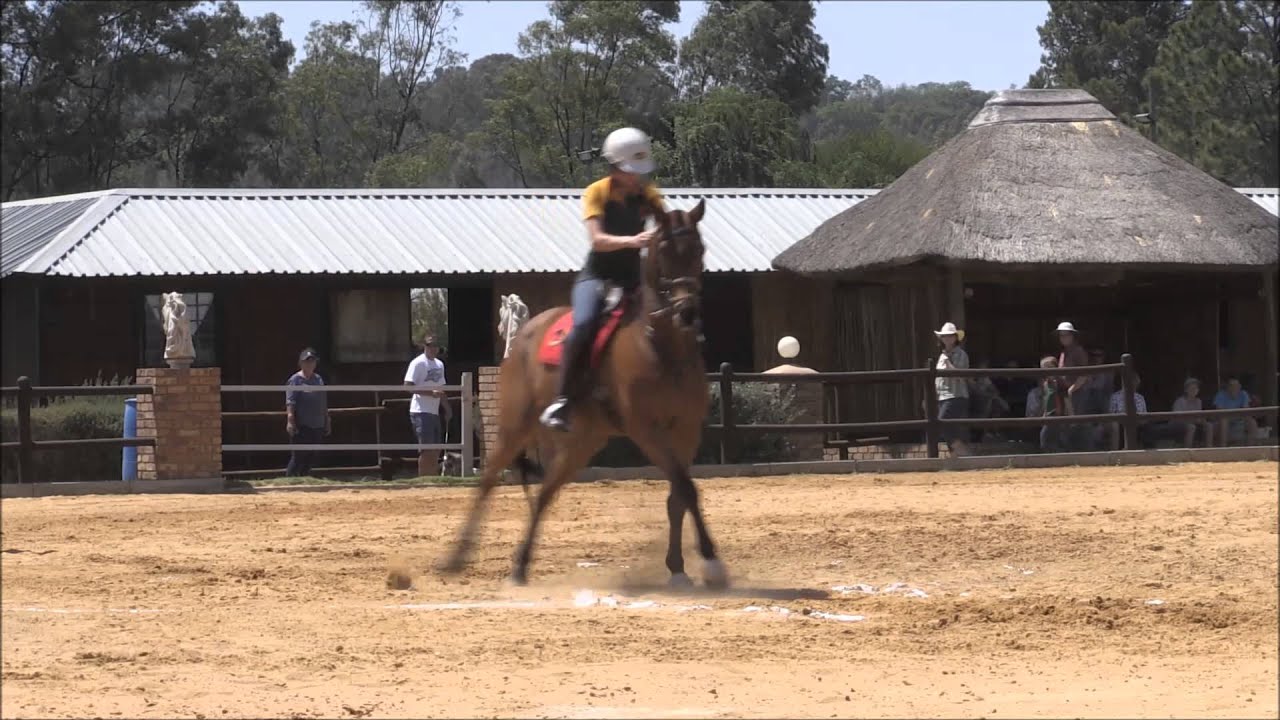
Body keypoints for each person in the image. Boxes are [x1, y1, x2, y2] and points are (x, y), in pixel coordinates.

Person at [539, 126, 667, 432]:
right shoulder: (596, 192)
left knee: (669, 318)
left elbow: (666, 224)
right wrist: (635, 241)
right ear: (614, 166)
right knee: (583, 324)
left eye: (640, 170)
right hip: (596, 277)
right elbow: (597, 240)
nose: (637, 177)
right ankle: (562, 400)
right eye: (630, 170)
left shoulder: (649, 194)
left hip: (634, 280)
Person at [404, 334, 446, 477]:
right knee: (426, 449)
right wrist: (429, 393)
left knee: (436, 448)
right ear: (425, 347)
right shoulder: (418, 363)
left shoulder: (440, 365)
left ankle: (433, 477)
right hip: (420, 410)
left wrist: (447, 407)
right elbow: (408, 386)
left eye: (435, 346)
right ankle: (423, 478)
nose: (432, 348)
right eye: (429, 345)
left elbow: (441, 388)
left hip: (434, 411)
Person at [284, 348, 330, 477]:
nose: (309, 364)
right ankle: (290, 480)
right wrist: (290, 420)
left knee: (312, 455)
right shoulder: (295, 380)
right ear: (301, 363)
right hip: (302, 424)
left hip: (318, 423)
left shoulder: (318, 379)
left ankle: (304, 478)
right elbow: (290, 401)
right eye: (306, 362)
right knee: (298, 455)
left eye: (312, 362)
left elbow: (323, 401)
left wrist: (327, 420)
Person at [933, 322, 971, 457]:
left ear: (955, 338)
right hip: (942, 396)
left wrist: (948, 362)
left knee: (943, 422)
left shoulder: (961, 354)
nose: (947, 339)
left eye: (949, 336)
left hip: (956, 395)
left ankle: (963, 453)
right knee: (949, 427)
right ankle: (958, 456)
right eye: (944, 336)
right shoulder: (941, 356)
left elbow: (959, 375)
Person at [1054, 322, 1090, 450]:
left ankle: (1084, 450)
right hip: (1066, 392)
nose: (1063, 338)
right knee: (1068, 422)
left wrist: (1073, 388)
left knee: (1078, 421)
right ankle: (1070, 450)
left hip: (1077, 391)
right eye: (1061, 335)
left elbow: (1084, 374)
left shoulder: (1078, 351)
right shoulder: (1064, 352)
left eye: (1066, 335)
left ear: (1072, 336)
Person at [1211, 376, 1258, 446]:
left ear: (1240, 386)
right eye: (1231, 385)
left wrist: (1241, 416)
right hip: (1223, 419)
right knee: (1224, 420)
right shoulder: (1221, 394)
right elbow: (1220, 412)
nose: (1234, 387)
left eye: (1236, 385)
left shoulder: (1243, 394)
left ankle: (1250, 447)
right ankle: (1223, 447)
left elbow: (1246, 410)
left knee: (1252, 422)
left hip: (1239, 418)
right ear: (1227, 387)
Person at [1170, 378, 1214, 448]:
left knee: (1209, 425)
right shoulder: (1179, 401)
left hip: (1194, 423)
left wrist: (1203, 421)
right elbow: (1177, 418)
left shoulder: (1198, 401)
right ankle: (1188, 450)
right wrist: (1193, 420)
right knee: (1191, 427)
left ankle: (1209, 448)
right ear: (1186, 390)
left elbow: (1198, 416)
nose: (1194, 390)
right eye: (1192, 388)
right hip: (1178, 425)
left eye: (1196, 388)